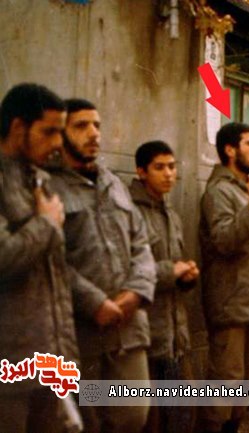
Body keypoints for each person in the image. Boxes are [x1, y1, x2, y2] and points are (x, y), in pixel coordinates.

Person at [50, 98, 157, 433]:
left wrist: (136, 292)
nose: (94, 133)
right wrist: (94, 302)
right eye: (81, 126)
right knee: (85, 421)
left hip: (127, 326)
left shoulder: (113, 184)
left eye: (97, 125)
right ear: (60, 134)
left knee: (131, 416)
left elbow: (141, 242)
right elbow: (48, 258)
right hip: (81, 332)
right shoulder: (47, 186)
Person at [0, 83, 79, 433]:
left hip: (49, 363)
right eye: (49, 132)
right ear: (18, 127)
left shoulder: (39, 181)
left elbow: (54, 276)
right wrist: (46, 224)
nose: (59, 143)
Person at [199, 122, 249, 433]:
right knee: (225, 385)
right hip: (231, 306)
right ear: (230, 150)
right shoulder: (219, 192)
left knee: (247, 384)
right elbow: (224, 241)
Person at [130, 141, 199, 433]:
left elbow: (174, 265)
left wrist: (186, 276)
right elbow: (128, 270)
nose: (169, 174)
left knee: (183, 412)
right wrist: (172, 271)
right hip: (146, 333)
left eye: (172, 167)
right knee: (150, 419)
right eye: (159, 167)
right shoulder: (130, 212)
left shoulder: (170, 213)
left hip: (175, 335)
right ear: (141, 171)